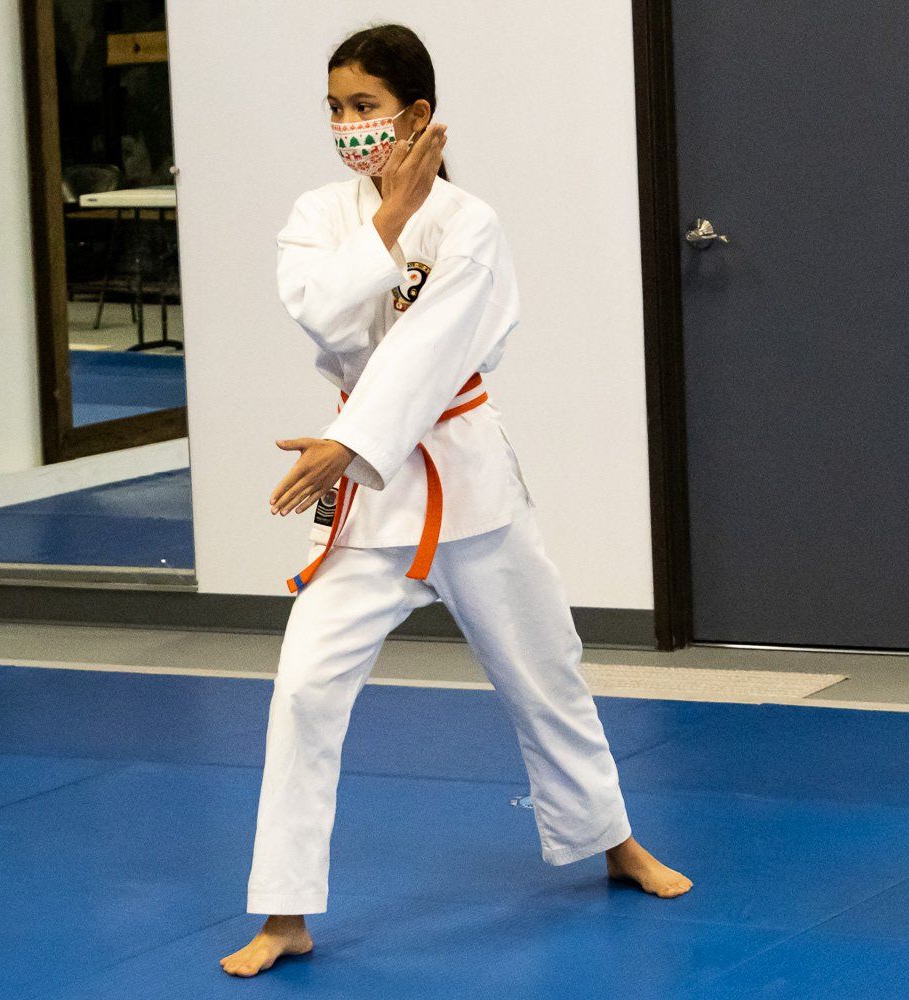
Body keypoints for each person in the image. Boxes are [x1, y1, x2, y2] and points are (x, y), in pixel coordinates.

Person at [218, 24, 693, 979]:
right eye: (337, 109)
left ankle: (613, 841)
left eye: (366, 107)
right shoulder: (319, 214)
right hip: (368, 499)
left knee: (545, 671)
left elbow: (434, 350)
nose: (350, 125)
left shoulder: (471, 222)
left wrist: (350, 443)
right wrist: (385, 224)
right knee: (306, 687)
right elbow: (321, 310)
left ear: (417, 115)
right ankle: (284, 911)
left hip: (466, 477)